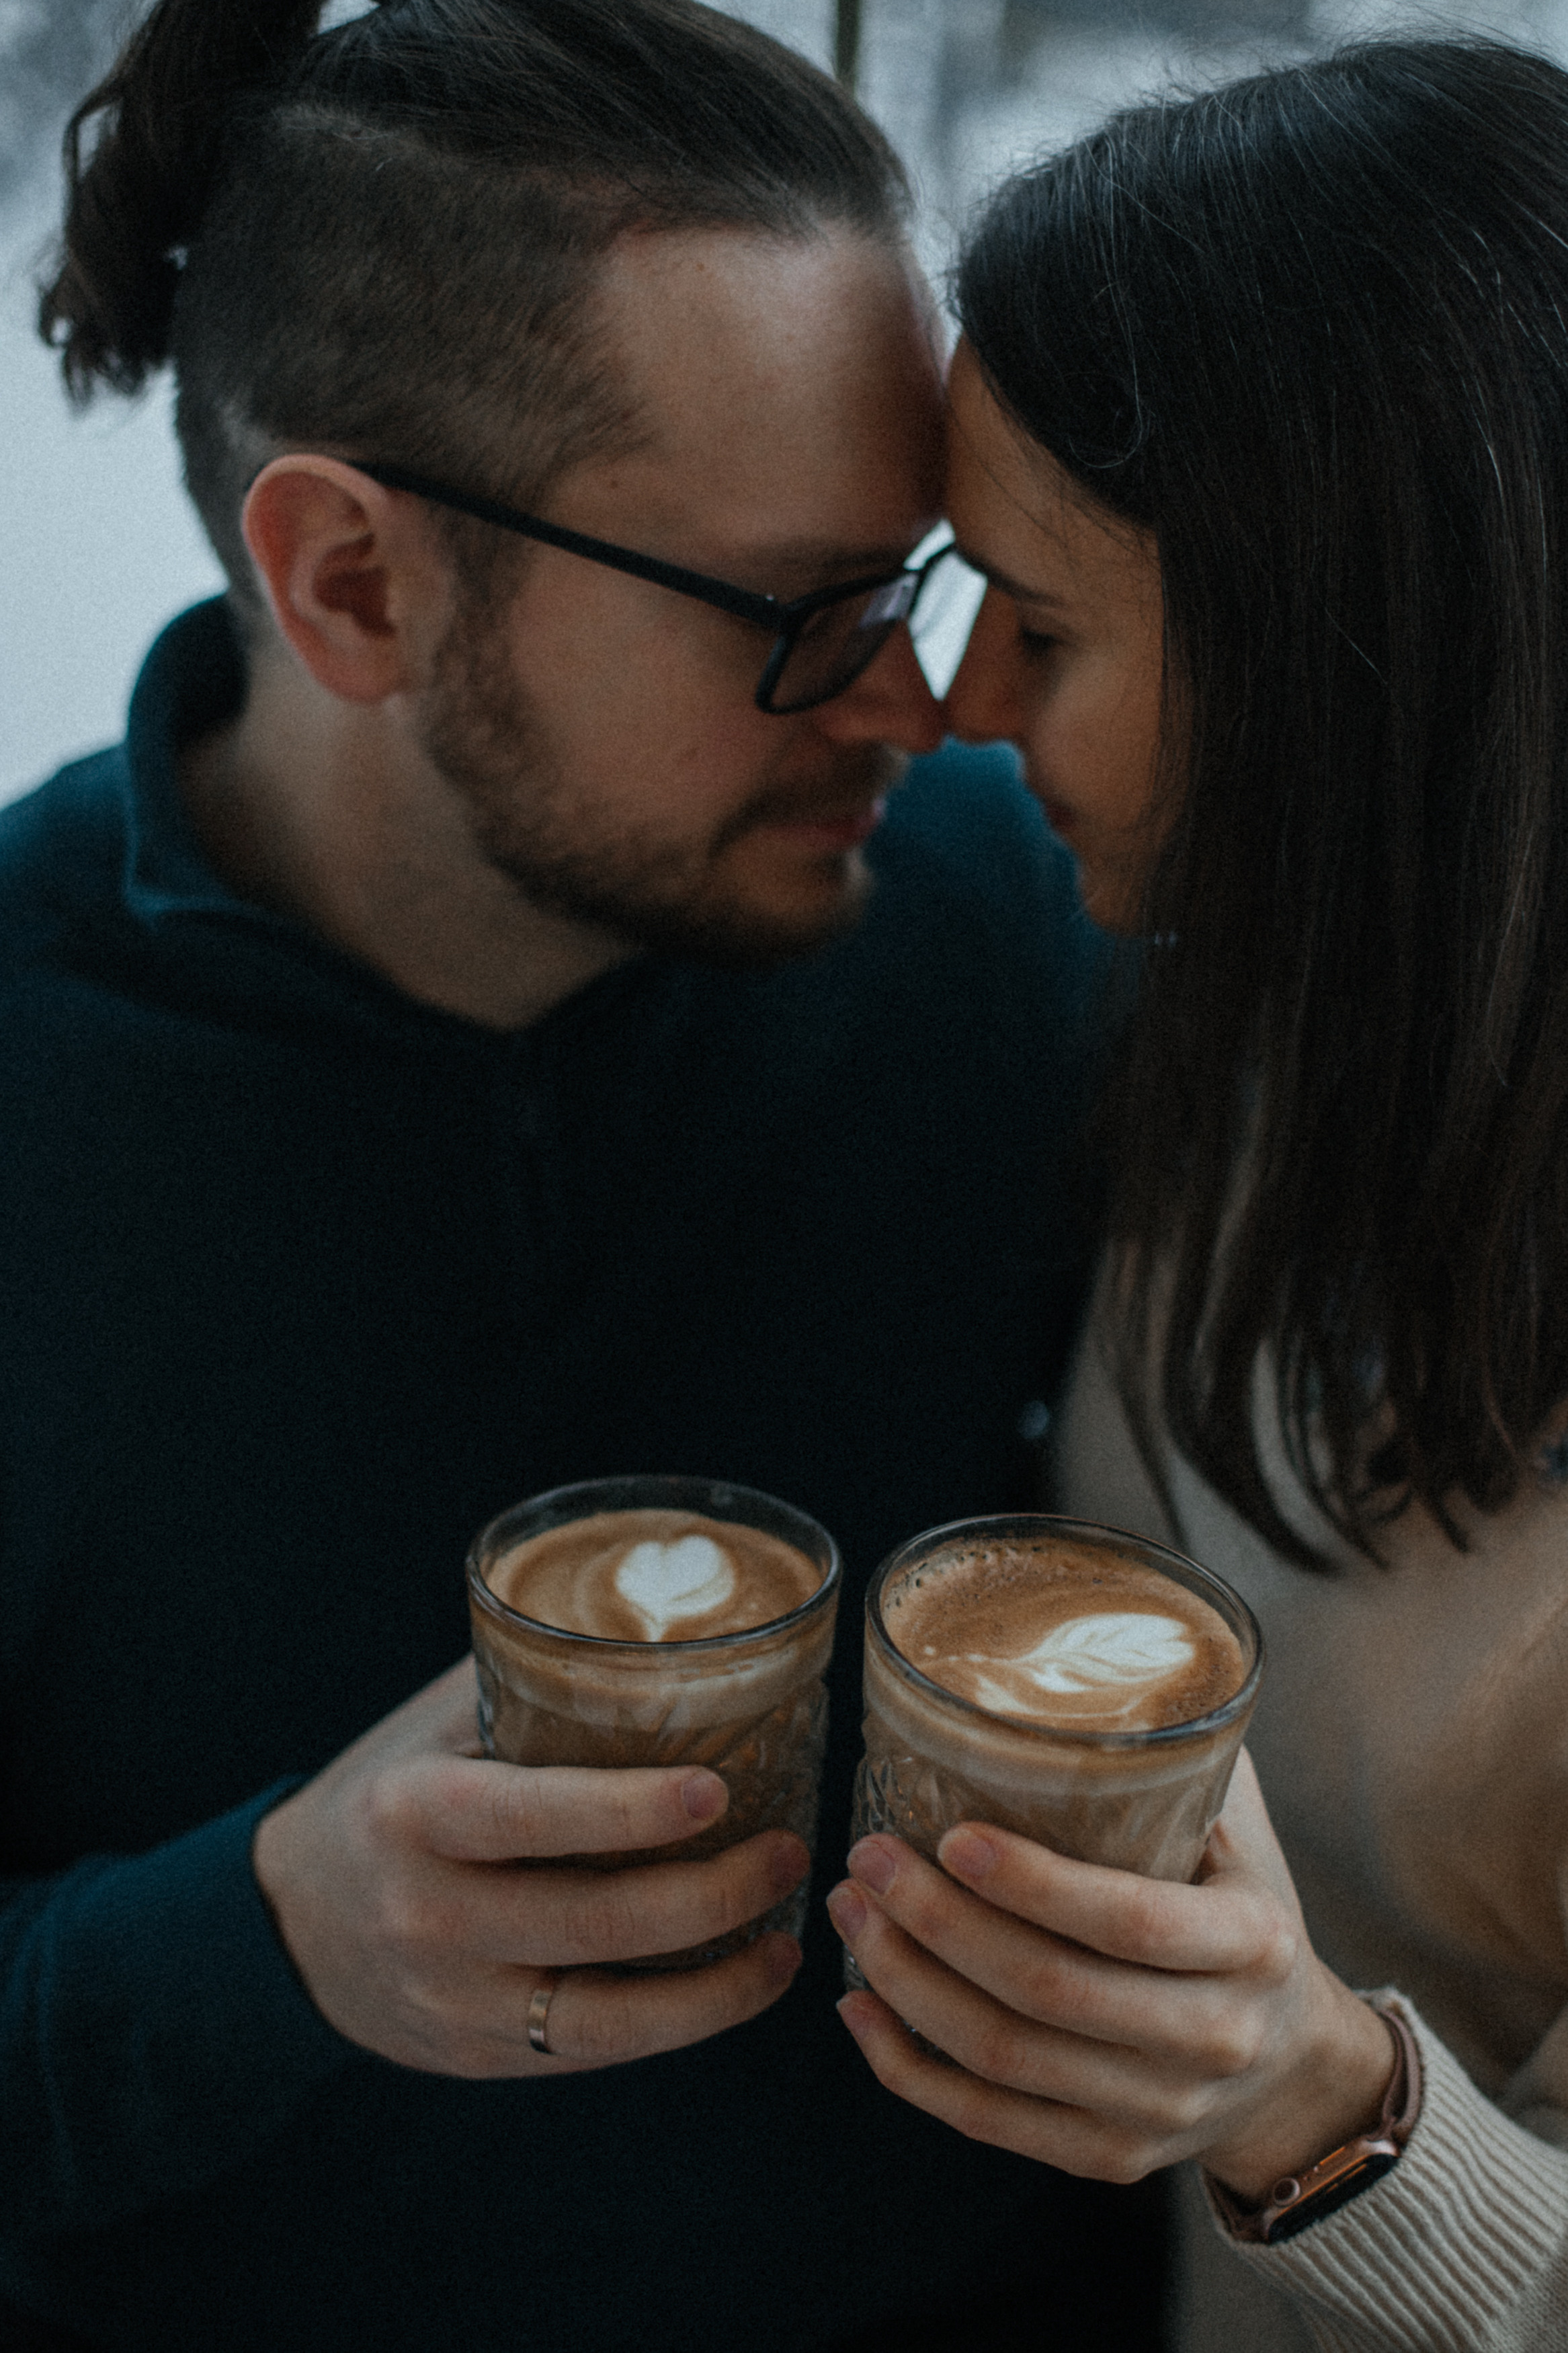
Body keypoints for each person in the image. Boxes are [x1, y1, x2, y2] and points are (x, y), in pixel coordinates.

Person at [0, 2, 1150, 2348]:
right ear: (352, 586)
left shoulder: (989, 919)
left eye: (918, 580)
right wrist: (270, 1936)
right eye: (797, 614)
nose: (921, 711)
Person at [823, 36, 1568, 2353]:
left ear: (1353, 667)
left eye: (1040, 627)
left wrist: (1316, 2098)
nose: (952, 715)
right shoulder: (1243, 1016)